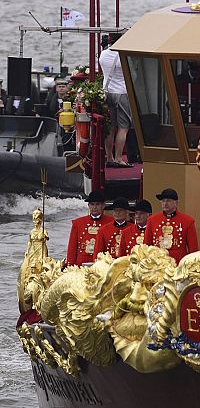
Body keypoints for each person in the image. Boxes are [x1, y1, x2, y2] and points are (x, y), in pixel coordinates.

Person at [99, 33, 134, 168]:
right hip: (122, 92)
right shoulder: (124, 56)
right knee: (123, 128)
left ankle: (109, 157)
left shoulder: (103, 55)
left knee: (110, 127)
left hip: (107, 93)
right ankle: (119, 158)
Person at [143, 188, 198, 262]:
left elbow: (193, 250)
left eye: (168, 201)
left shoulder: (188, 221)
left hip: (178, 265)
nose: (165, 203)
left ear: (176, 203)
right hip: (157, 266)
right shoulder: (152, 220)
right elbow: (147, 246)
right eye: (163, 201)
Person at [65, 190, 113, 266]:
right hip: (81, 263)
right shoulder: (78, 223)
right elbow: (72, 247)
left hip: (103, 264)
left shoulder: (111, 222)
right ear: (88, 205)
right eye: (92, 204)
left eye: (97, 204)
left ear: (103, 205)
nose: (94, 207)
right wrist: (70, 265)